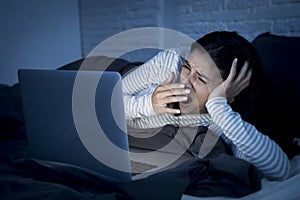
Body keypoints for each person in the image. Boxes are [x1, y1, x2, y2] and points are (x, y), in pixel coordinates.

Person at [122, 31, 290, 181]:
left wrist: (219, 106)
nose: (185, 81)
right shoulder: (170, 66)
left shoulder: (222, 123)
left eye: (201, 79)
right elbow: (110, 99)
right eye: (187, 67)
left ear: (229, 90)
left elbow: (280, 171)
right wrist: (149, 104)